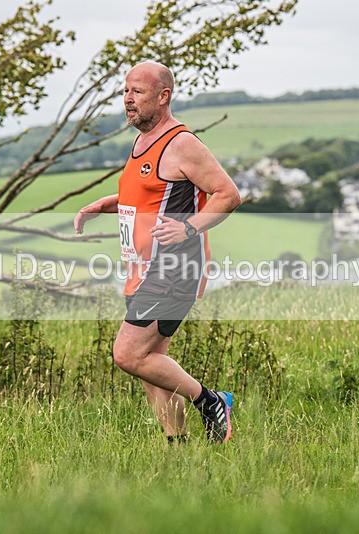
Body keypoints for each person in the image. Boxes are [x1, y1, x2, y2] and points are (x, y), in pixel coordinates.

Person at [74, 61, 241, 443]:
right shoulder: (141, 141)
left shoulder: (182, 143)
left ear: (163, 96)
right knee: (151, 365)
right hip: (142, 266)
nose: (128, 100)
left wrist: (188, 226)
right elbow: (151, 196)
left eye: (138, 92)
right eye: (126, 91)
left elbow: (228, 194)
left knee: (128, 355)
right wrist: (108, 204)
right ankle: (177, 449)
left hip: (174, 267)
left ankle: (212, 401)